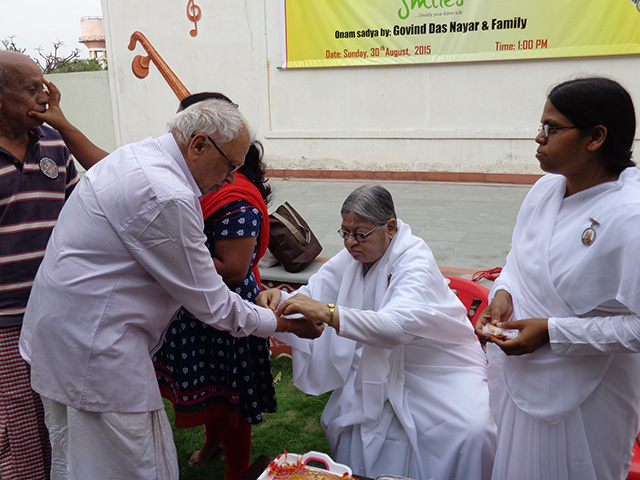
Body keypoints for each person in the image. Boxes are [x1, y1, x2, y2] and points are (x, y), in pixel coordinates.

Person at [18, 98, 323, 479]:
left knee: (78, 461)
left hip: (64, 339)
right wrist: (287, 324)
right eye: (230, 166)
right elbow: (212, 304)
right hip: (95, 353)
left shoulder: (138, 155)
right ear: (198, 144)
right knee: (129, 467)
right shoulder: (167, 193)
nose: (231, 179)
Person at [257, 184, 497, 480]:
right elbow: (314, 292)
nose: (349, 243)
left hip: (440, 366)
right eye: (344, 232)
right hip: (379, 364)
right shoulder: (353, 256)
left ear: (391, 228)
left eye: (360, 233)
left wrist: (328, 312)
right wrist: (279, 300)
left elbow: (396, 327)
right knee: (355, 425)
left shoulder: (414, 260)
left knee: (472, 432)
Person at [475, 77, 640, 480]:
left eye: (552, 128)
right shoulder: (545, 190)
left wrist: (553, 333)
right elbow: (518, 258)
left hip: (590, 396)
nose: (538, 137)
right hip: (521, 378)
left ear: (596, 137)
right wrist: (502, 294)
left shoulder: (630, 215)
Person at [153, 92, 276, 480]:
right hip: (194, 305)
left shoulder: (234, 198)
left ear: (203, 142)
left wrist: (169, 257)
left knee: (228, 396)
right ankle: (213, 441)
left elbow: (235, 270)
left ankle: (239, 466)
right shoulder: (188, 182)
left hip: (226, 309)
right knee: (208, 387)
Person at [0, 50, 104, 479]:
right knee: (19, 425)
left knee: (62, 418)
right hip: (6, 321)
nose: (43, 95)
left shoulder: (54, 142)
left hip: (57, 312)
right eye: (30, 88)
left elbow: (83, 209)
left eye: (43, 84)